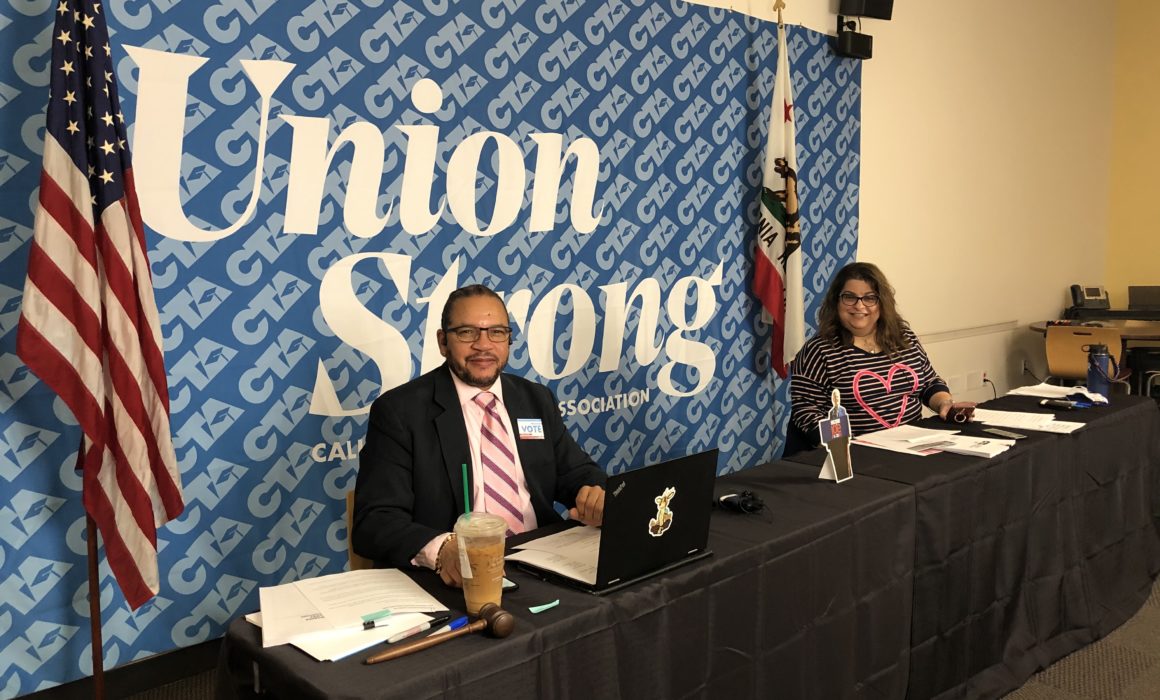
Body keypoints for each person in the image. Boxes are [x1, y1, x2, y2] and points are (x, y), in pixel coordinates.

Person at [353, 284, 607, 587]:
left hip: (541, 562)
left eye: (496, 332)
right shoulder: (400, 412)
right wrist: (443, 549)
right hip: (455, 577)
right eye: (467, 333)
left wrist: (597, 494)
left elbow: (578, 473)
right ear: (443, 342)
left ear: (509, 339)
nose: (483, 345)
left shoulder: (535, 399)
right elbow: (375, 521)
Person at [789, 262, 973, 442]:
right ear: (836, 302)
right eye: (849, 297)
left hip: (913, 444)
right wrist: (845, 445)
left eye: (870, 298)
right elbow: (807, 411)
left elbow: (929, 383)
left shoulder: (904, 338)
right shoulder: (819, 350)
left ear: (882, 303)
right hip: (857, 452)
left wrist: (944, 403)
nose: (859, 306)